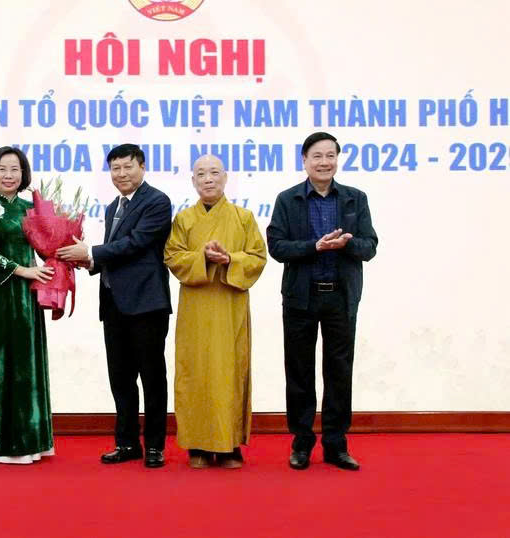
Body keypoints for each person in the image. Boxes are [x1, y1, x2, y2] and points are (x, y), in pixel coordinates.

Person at [266, 131, 378, 471]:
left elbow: (370, 246)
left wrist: (347, 243)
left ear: (337, 159)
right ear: (304, 160)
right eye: (317, 156)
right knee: (299, 372)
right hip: (301, 297)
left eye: (330, 155)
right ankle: (301, 443)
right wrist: (314, 247)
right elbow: (277, 247)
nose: (324, 162)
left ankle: (336, 444)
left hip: (341, 298)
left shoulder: (355, 199)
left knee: (339, 371)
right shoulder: (287, 200)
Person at [57, 143, 172, 468]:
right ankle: (127, 442)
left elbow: (137, 243)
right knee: (120, 378)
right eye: (115, 168)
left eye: (127, 167)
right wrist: (88, 262)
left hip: (146, 303)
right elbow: (115, 251)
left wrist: (91, 252)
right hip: (114, 304)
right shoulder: (112, 207)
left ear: (142, 167)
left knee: (152, 377)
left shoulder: (157, 201)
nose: (121, 174)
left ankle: (154, 446)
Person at [163, 155, 266, 469]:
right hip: (196, 306)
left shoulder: (243, 217)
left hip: (230, 305)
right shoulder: (184, 220)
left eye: (214, 173)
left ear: (225, 177)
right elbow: (172, 256)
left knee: (230, 370)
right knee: (194, 371)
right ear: (193, 181)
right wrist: (203, 257)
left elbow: (258, 257)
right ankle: (197, 445)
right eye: (201, 174)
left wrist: (230, 259)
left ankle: (229, 445)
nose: (208, 179)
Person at [0, 146, 55, 464]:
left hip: (28, 296)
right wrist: (22, 270)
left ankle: (30, 441)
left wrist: (62, 252)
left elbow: (48, 247)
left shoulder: (33, 208)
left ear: (23, 174)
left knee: (26, 364)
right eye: (2, 169)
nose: (8, 175)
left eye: (15, 169)